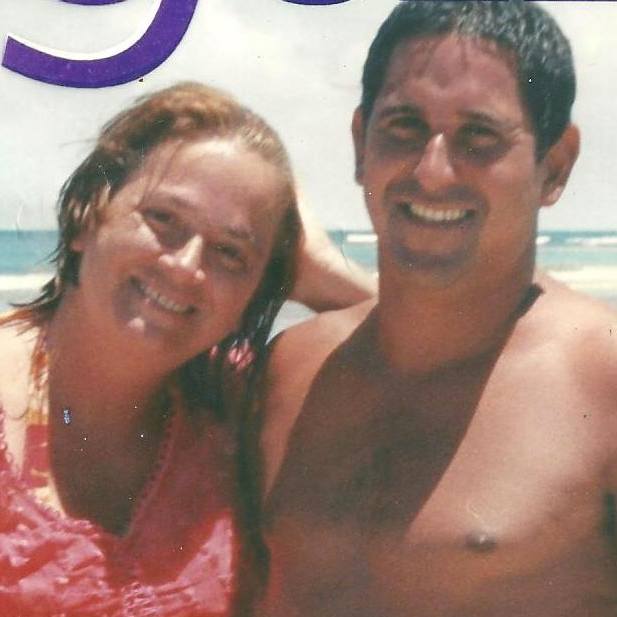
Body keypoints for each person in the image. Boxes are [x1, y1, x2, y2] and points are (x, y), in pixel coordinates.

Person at [258, 2, 617, 616]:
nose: (432, 172)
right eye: (403, 126)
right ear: (360, 143)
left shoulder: (601, 376)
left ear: (555, 166)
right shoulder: (291, 367)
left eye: (480, 137)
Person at [0, 82, 374, 616]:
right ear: (86, 216)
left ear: (252, 298)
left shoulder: (239, 405)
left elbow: (449, 370)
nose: (185, 266)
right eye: (163, 219)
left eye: (230, 253)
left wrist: (329, 273)